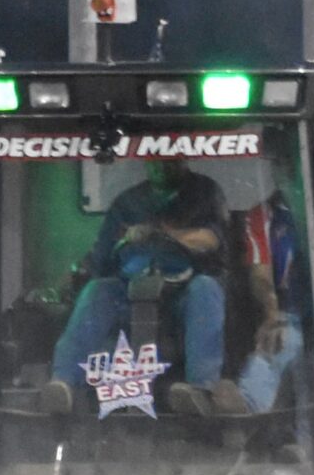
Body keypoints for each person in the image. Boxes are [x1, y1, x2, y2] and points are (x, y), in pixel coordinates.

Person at [43, 170, 271, 416]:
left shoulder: (205, 193)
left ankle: (202, 390)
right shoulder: (127, 202)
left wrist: (161, 232)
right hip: (129, 293)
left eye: (169, 156)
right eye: (155, 156)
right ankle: (63, 384)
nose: (163, 162)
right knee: (97, 290)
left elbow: (212, 239)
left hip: (182, 296)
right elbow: (100, 256)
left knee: (205, 289)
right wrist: (63, 284)